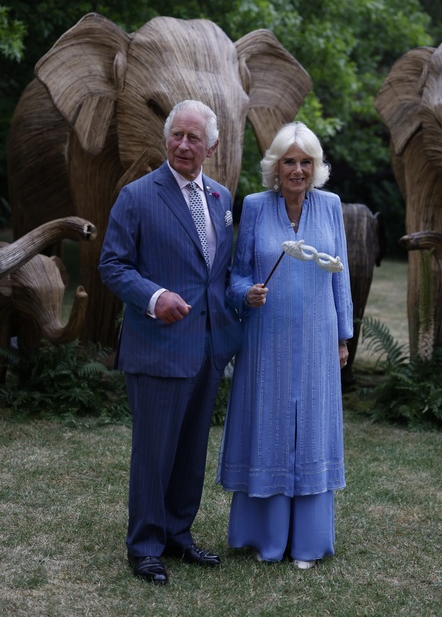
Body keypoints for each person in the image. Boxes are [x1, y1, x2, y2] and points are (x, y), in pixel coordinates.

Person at [99, 99, 242, 585]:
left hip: (207, 349)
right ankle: (145, 546)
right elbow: (112, 265)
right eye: (177, 135)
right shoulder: (137, 196)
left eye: (193, 138)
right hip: (157, 346)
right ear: (166, 139)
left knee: (191, 450)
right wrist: (154, 296)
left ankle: (178, 533)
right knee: (154, 453)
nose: (183, 144)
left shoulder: (221, 198)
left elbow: (217, 273)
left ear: (211, 147)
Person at [217, 121, 353, 569]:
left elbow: (341, 276)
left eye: (305, 162)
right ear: (276, 166)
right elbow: (237, 274)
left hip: (318, 338)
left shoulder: (331, 206)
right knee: (268, 427)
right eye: (289, 161)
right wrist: (246, 293)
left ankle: (309, 543)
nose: (297, 170)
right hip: (265, 339)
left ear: (316, 167)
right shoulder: (255, 206)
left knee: (312, 429)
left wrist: (343, 337)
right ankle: (267, 539)